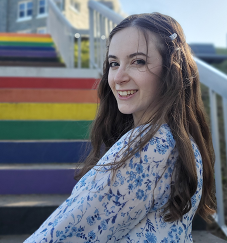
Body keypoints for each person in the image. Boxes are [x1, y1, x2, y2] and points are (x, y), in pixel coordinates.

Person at [24, 13, 216, 243]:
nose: (118, 77)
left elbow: (61, 235)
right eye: (114, 63)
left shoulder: (149, 146)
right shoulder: (179, 141)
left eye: (138, 61)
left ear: (171, 71)